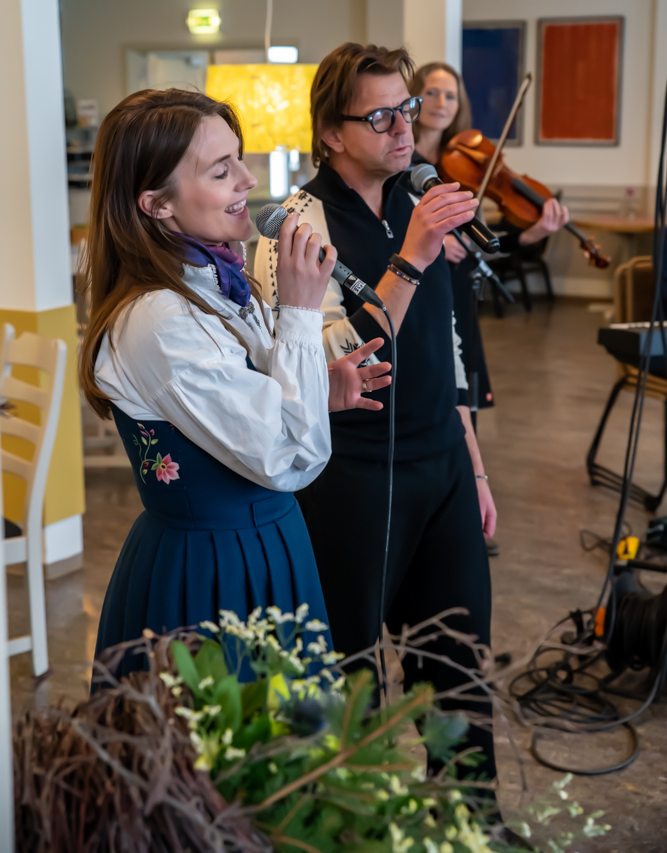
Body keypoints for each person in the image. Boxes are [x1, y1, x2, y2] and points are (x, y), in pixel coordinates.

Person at [78, 87, 391, 680]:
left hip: (272, 540)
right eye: (222, 170)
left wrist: (313, 389)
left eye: (239, 160)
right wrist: (299, 311)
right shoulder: (160, 319)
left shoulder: (211, 279)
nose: (248, 179)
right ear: (157, 204)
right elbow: (290, 458)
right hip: (211, 563)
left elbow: (251, 404)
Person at [254, 43, 498, 779]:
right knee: (347, 669)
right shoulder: (295, 227)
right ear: (331, 133)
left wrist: (474, 467)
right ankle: (345, 815)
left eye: (408, 110)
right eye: (381, 116)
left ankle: (472, 818)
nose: (404, 129)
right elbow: (318, 362)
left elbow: (444, 345)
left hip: (442, 465)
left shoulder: (416, 202)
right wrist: (411, 261)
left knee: (459, 662)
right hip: (351, 475)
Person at [410, 62, 570, 414]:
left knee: (464, 399)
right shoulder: (399, 163)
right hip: (416, 292)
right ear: (413, 99)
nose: (441, 103)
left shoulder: (465, 167)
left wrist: (532, 234)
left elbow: (480, 246)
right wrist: (434, 243)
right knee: (427, 395)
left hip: (460, 288)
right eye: (431, 92)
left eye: (451, 95)